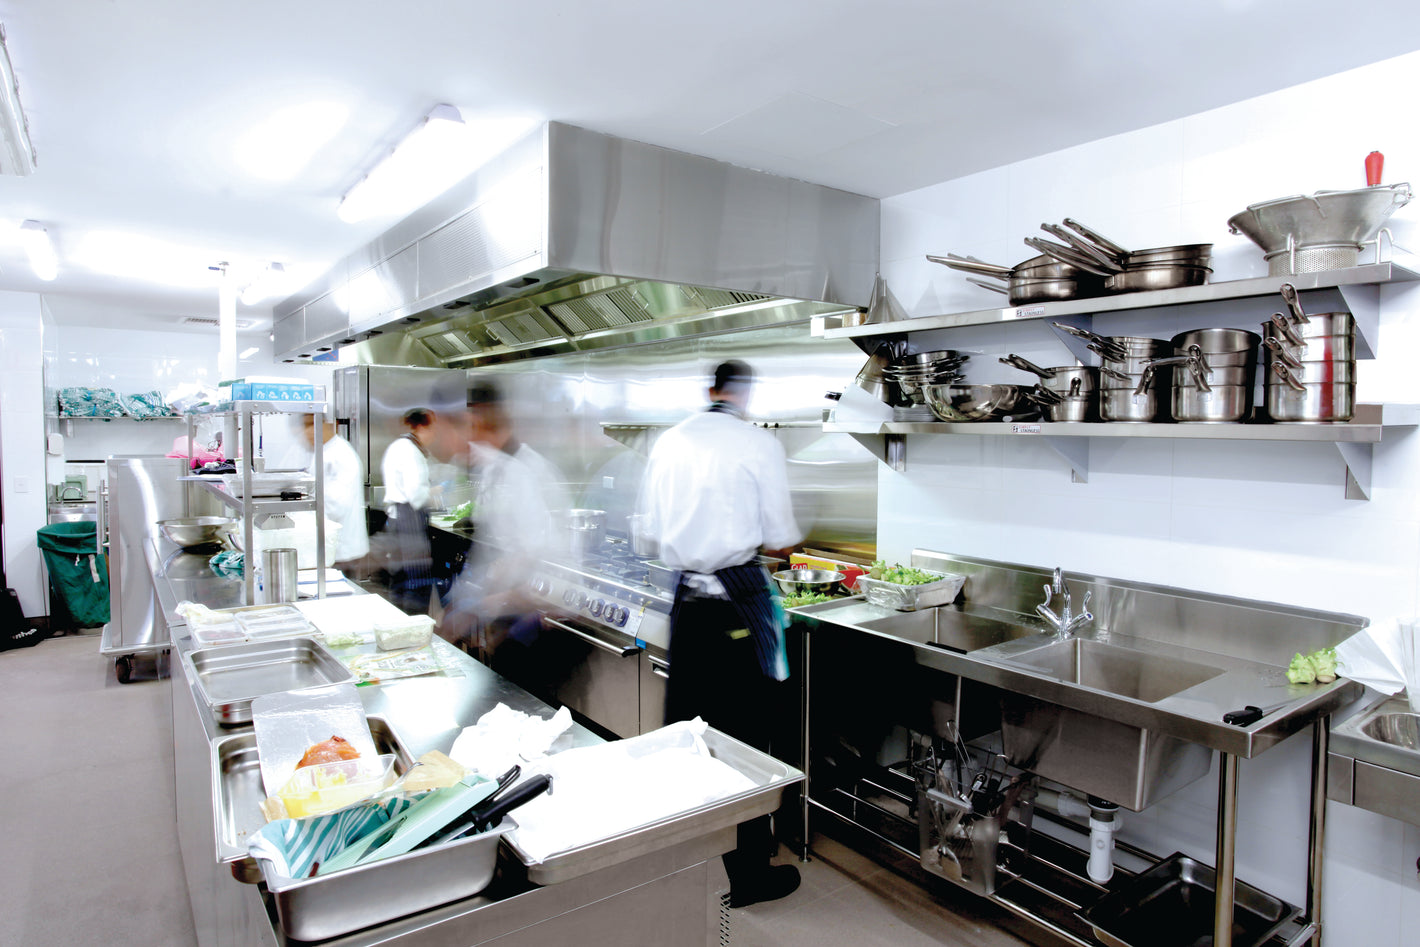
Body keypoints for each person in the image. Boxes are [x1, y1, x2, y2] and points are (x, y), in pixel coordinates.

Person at [637, 359, 803, 908]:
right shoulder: (757, 443)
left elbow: (648, 533)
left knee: (688, 730)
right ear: (743, 394)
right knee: (748, 738)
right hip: (738, 607)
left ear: (711, 390)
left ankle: (683, 855)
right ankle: (749, 872)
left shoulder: (671, 441)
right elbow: (781, 538)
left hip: (687, 604)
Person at [297, 412, 370, 574]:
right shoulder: (323, 451)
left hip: (342, 550)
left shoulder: (341, 455)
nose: (307, 431)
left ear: (331, 424)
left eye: (312, 424)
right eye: (305, 426)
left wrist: (302, 514)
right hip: (331, 546)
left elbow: (336, 505)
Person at [379, 408, 434, 613]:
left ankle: (399, 628)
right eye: (432, 430)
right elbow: (416, 495)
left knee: (400, 581)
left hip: (395, 522)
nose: (434, 436)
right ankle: (415, 634)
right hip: (408, 522)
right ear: (421, 427)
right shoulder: (411, 451)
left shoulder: (397, 446)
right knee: (417, 582)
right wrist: (433, 491)